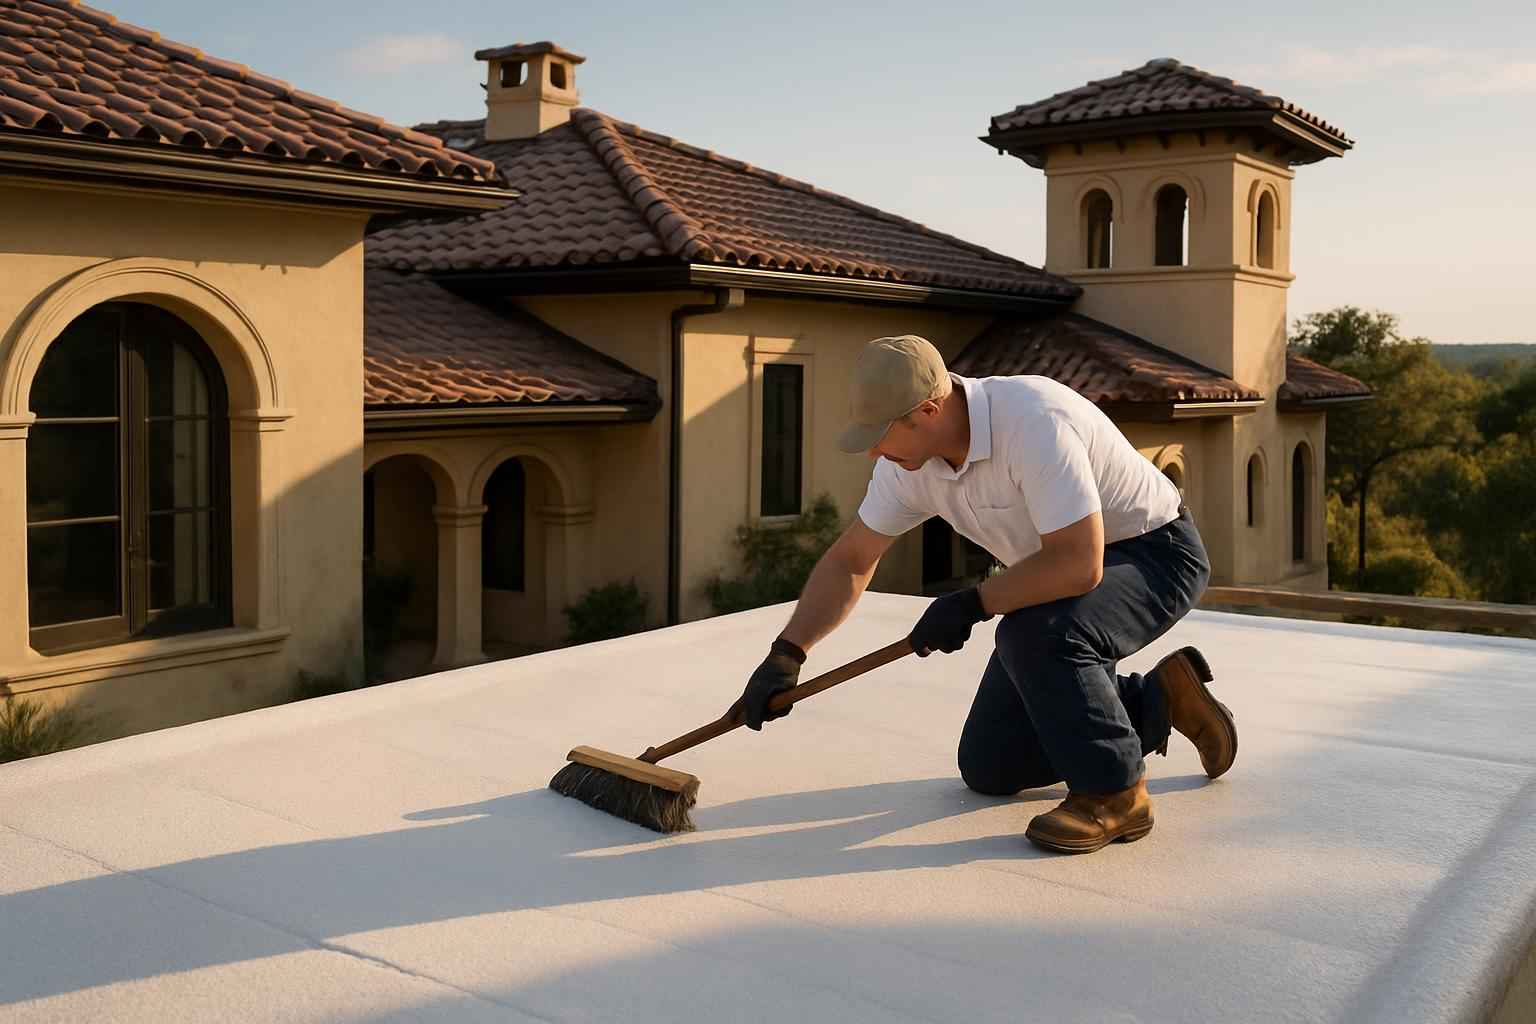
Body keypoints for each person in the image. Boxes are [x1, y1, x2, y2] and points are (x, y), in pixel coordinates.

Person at [735, 335, 1237, 854]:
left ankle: (1115, 793)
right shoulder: (908, 467)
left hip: (1153, 553)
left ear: (927, 411)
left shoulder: (1034, 420)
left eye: (881, 434)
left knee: (1035, 633)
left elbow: (1077, 564)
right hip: (1057, 573)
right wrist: (787, 653)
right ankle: (1157, 699)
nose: (873, 450)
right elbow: (850, 561)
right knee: (990, 764)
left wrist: (971, 603)